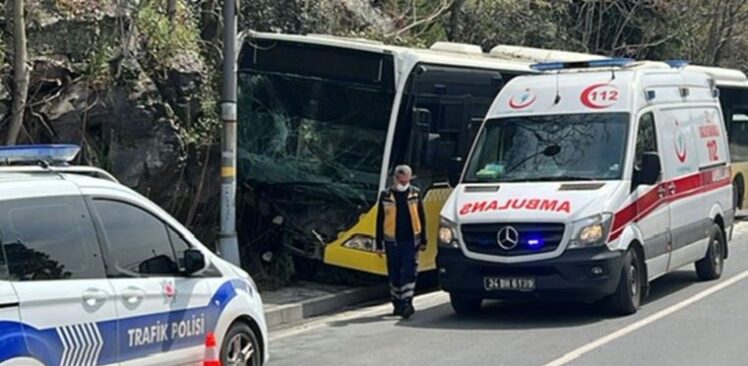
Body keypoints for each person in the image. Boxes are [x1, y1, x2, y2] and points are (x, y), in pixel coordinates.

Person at [375, 165, 427, 319]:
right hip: (392, 241)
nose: (404, 184)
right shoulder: (386, 195)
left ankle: (407, 302)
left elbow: (421, 217)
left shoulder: (415, 193)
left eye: (406, 181)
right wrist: (378, 244)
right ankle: (396, 303)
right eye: (401, 181)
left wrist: (424, 240)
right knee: (394, 272)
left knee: (409, 271)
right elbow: (380, 221)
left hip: (412, 240)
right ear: (396, 178)